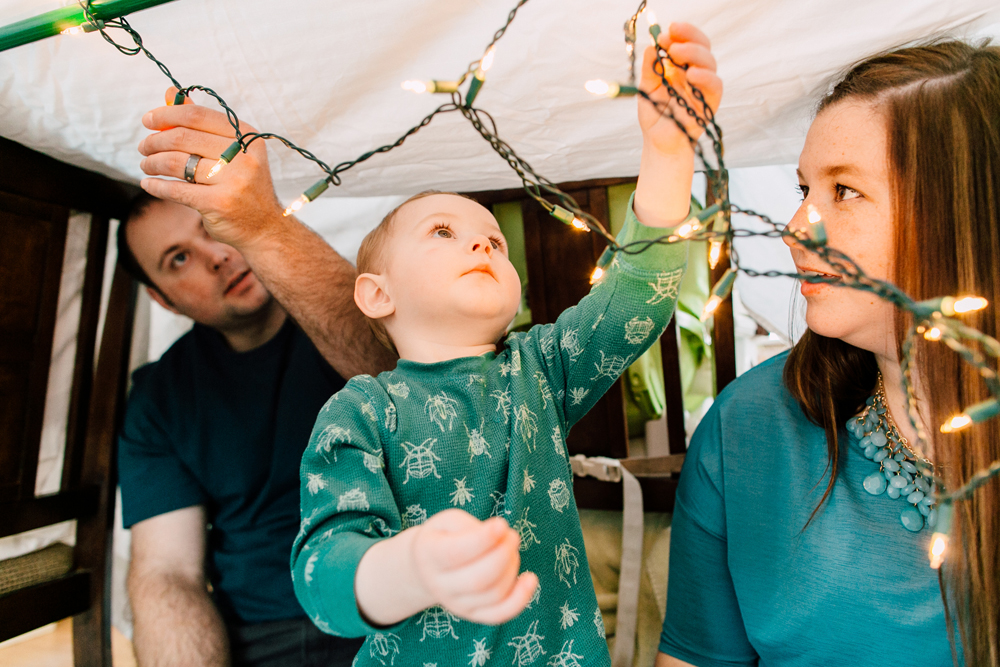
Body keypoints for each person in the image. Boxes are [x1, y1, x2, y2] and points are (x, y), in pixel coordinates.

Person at [288, 23, 720, 667]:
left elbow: (638, 299)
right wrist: (410, 567)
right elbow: (322, 571)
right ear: (377, 294)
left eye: (494, 241)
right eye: (443, 231)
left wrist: (667, 153)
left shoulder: (539, 369)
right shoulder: (361, 411)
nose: (482, 245)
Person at [657, 40, 1000, 667]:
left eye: (844, 191)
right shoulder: (749, 428)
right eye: (804, 186)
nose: (796, 227)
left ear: (963, 212)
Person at [117, 172, 396, 663]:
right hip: (266, 635)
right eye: (179, 259)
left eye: (211, 226)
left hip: (407, 604)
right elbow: (167, 571)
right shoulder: (159, 398)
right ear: (165, 299)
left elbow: (402, 376)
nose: (217, 256)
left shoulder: (351, 310)